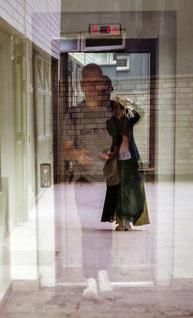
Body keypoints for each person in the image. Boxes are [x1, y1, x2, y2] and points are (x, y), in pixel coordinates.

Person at [64, 64, 114, 300]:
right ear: (82, 85)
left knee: (105, 230)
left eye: (98, 82)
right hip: (83, 181)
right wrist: (76, 156)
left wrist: (114, 153)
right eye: (89, 82)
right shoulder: (73, 114)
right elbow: (66, 151)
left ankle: (103, 275)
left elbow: (123, 144)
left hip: (108, 181)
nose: (94, 87)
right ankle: (90, 280)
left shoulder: (113, 113)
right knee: (88, 231)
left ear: (103, 84)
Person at [101, 96, 150, 231]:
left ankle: (128, 221)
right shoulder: (110, 122)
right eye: (116, 107)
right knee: (119, 191)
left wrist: (130, 103)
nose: (119, 109)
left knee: (132, 191)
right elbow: (116, 134)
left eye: (121, 107)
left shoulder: (129, 118)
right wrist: (122, 117)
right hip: (117, 160)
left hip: (131, 160)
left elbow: (141, 114)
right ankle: (121, 221)